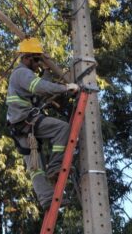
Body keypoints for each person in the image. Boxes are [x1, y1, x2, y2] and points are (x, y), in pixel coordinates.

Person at [6, 37, 79, 210]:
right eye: (37, 59)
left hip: (20, 127)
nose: (38, 64)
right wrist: (66, 88)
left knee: (36, 167)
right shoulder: (21, 73)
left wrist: (48, 71)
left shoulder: (24, 75)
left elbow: (40, 89)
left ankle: (46, 199)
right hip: (25, 121)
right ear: (27, 58)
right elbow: (40, 87)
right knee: (62, 129)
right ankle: (55, 167)